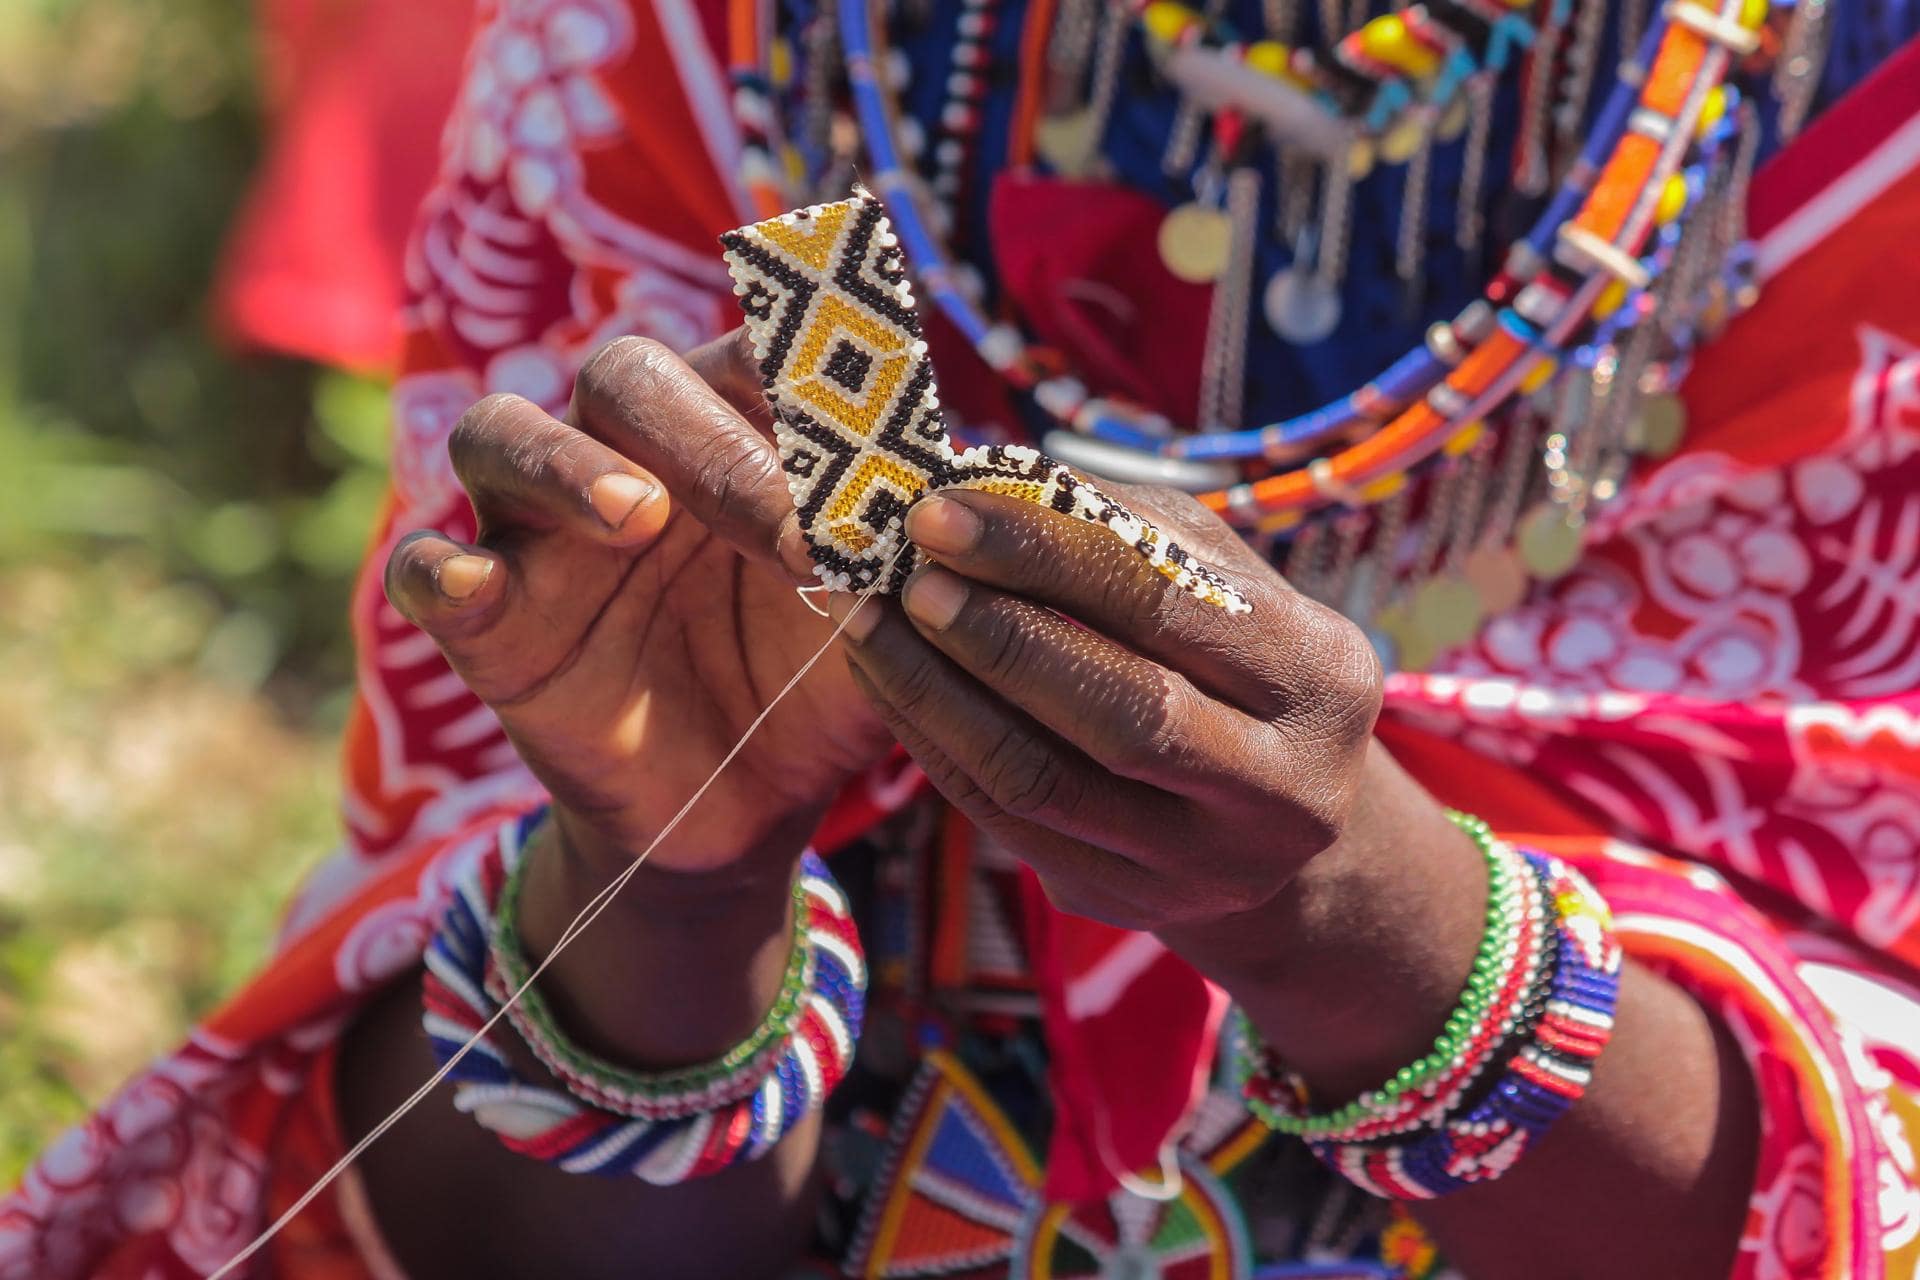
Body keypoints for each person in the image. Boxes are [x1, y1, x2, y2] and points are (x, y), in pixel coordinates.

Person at [6, 0, 1920, 1276]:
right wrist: (665, 896)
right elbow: (432, 1227)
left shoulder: (1865, 144)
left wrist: (1355, 919)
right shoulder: (697, 55)